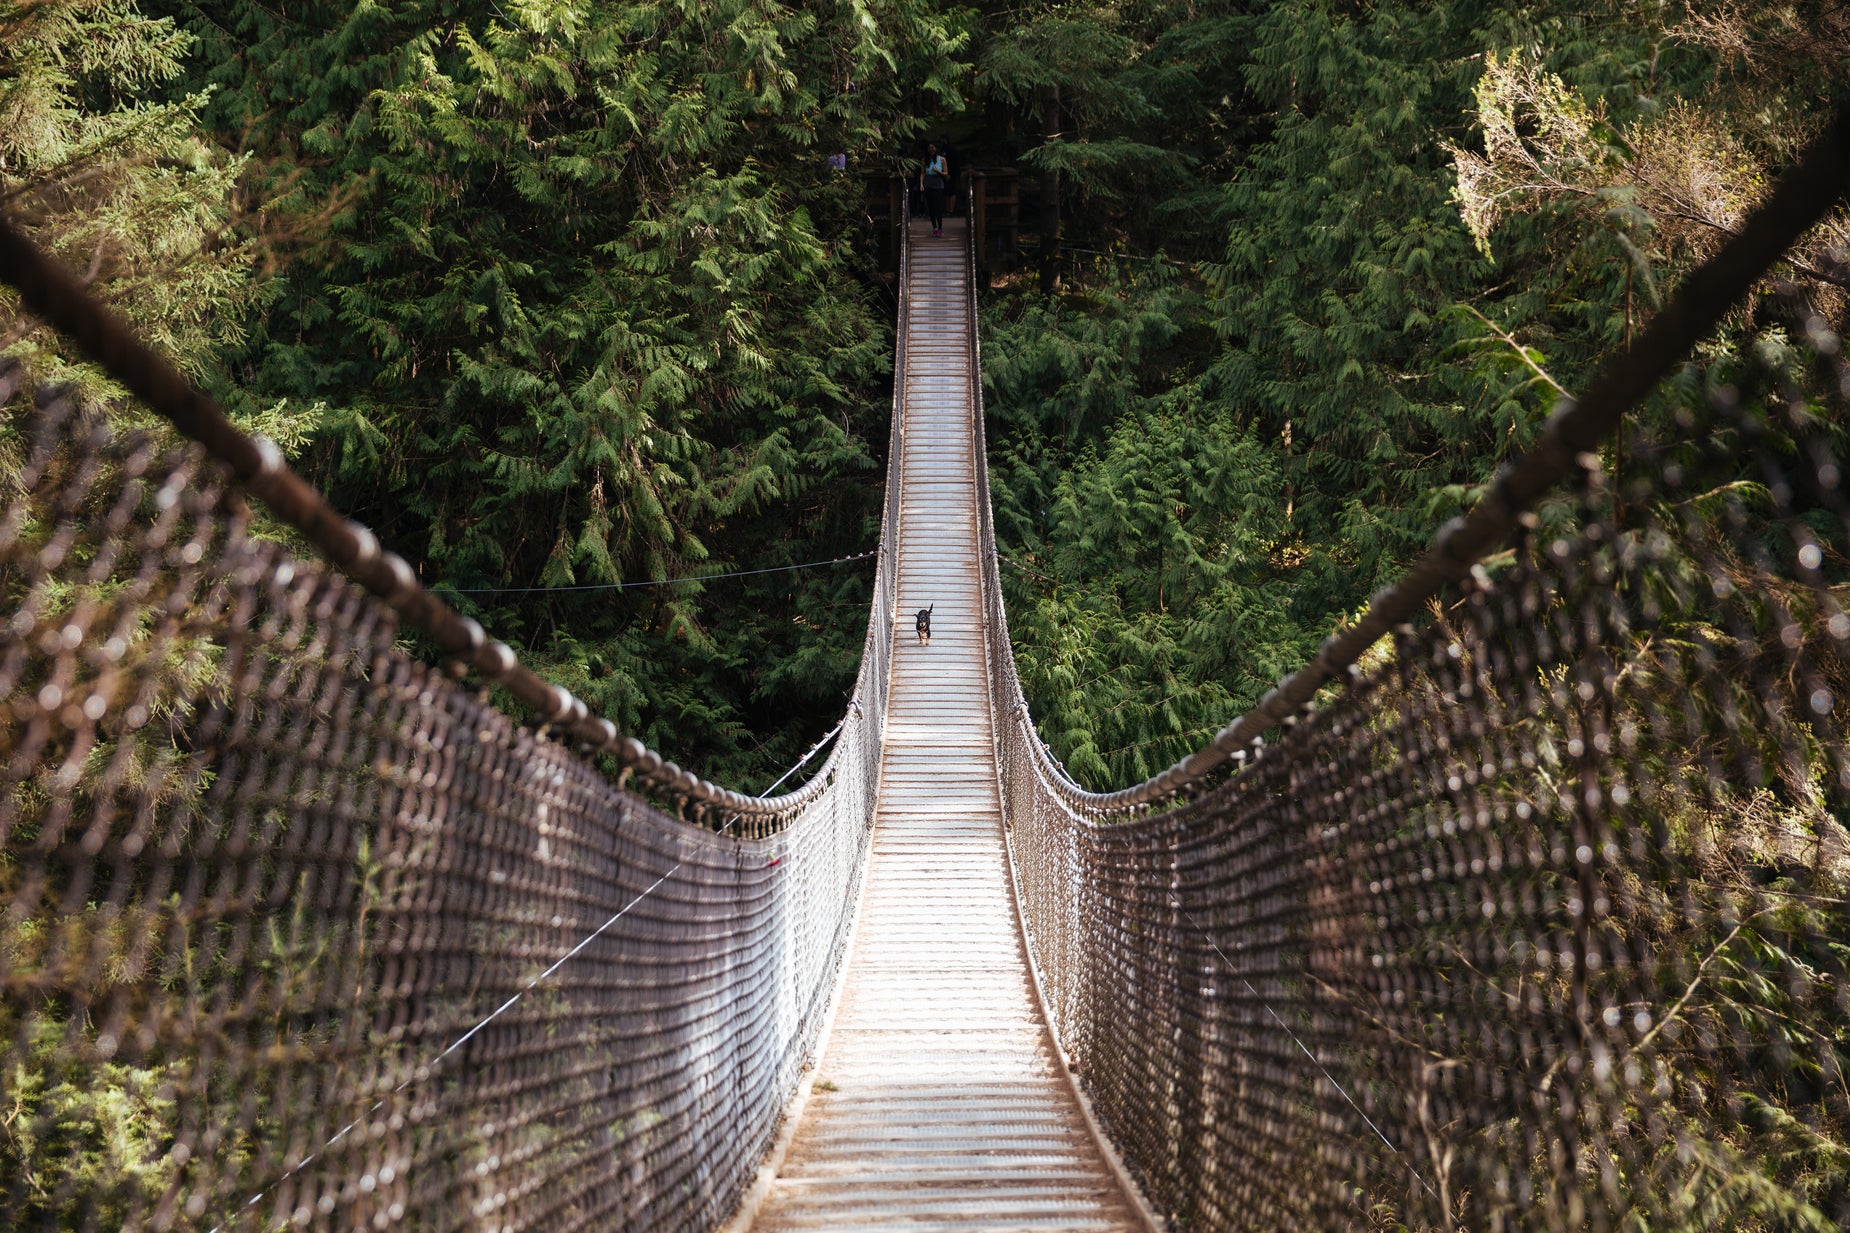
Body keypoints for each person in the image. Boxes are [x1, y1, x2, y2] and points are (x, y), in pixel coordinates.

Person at [920, 144, 948, 238]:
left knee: (938, 207)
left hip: (938, 184)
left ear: (936, 148)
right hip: (928, 183)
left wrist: (938, 171)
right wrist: (921, 184)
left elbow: (946, 173)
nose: (931, 149)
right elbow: (922, 173)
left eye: (933, 147)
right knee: (931, 207)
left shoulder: (942, 159)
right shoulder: (925, 160)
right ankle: (935, 228)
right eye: (929, 148)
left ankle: (940, 228)